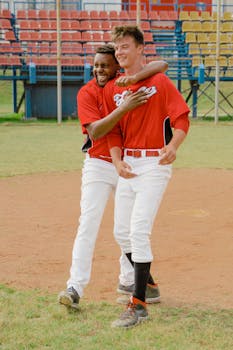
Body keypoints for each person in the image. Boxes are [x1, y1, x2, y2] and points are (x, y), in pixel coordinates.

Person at [58, 44, 168, 309]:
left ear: (117, 68)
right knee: (88, 222)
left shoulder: (124, 82)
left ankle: (129, 279)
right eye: (96, 65)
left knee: (127, 227)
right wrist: (124, 108)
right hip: (98, 163)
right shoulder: (87, 92)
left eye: (105, 65)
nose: (99, 69)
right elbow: (95, 131)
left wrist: (133, 78)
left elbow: (161, 65)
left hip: (128, 163)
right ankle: (75, 286)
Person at [103, 26, 190, 328]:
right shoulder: (115, 88)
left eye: (126, 46)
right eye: (117, 49)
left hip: (154, 162)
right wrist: (116, 161)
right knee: (121, 233)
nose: (120, 52)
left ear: (141, 49)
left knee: (138, 230)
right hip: (128, 162)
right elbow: (113, 131)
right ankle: (149, 285)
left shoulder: (160, 81)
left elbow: (181, 118)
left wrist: (173, 145)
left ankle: (138, 304)